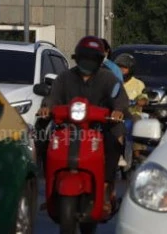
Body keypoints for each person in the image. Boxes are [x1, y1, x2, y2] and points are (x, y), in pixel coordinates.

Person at [37, 36, 129, 214]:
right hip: (68, 129)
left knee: (113, 143)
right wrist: (46, 108)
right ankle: (51, 186)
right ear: (77, 58)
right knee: (44, 141)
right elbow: (52, 97)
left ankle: (104, 187)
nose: (87, 62)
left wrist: (117, 110)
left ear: (99, 60)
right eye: (84, 57)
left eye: (92, 58)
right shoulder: (64, 78)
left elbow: (120, 99)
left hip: (99, 129)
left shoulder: (109, 79)